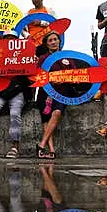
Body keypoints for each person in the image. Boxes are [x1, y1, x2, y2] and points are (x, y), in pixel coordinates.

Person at [0, 30, 34, 159]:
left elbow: (30, 74)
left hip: (17, 90)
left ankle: (15, 147)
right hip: (0, 90)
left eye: (12, 38)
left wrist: (32, 61)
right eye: (6, 38)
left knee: (15, 114)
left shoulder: (23, 54)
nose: (9, 40)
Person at [35, 31, 74, 159]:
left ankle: (41, 144)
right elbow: (38, 75)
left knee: (56, 113)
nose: (53, 42)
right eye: (50, 40)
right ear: (46, 44)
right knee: (46, 119)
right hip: (45, 93)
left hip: (63, 93)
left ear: (59, 41)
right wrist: (50, 80)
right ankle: (51, 149)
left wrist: (65, 79)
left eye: (55, 39)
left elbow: (75, 74)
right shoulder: (43, 58)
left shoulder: (67, 57)